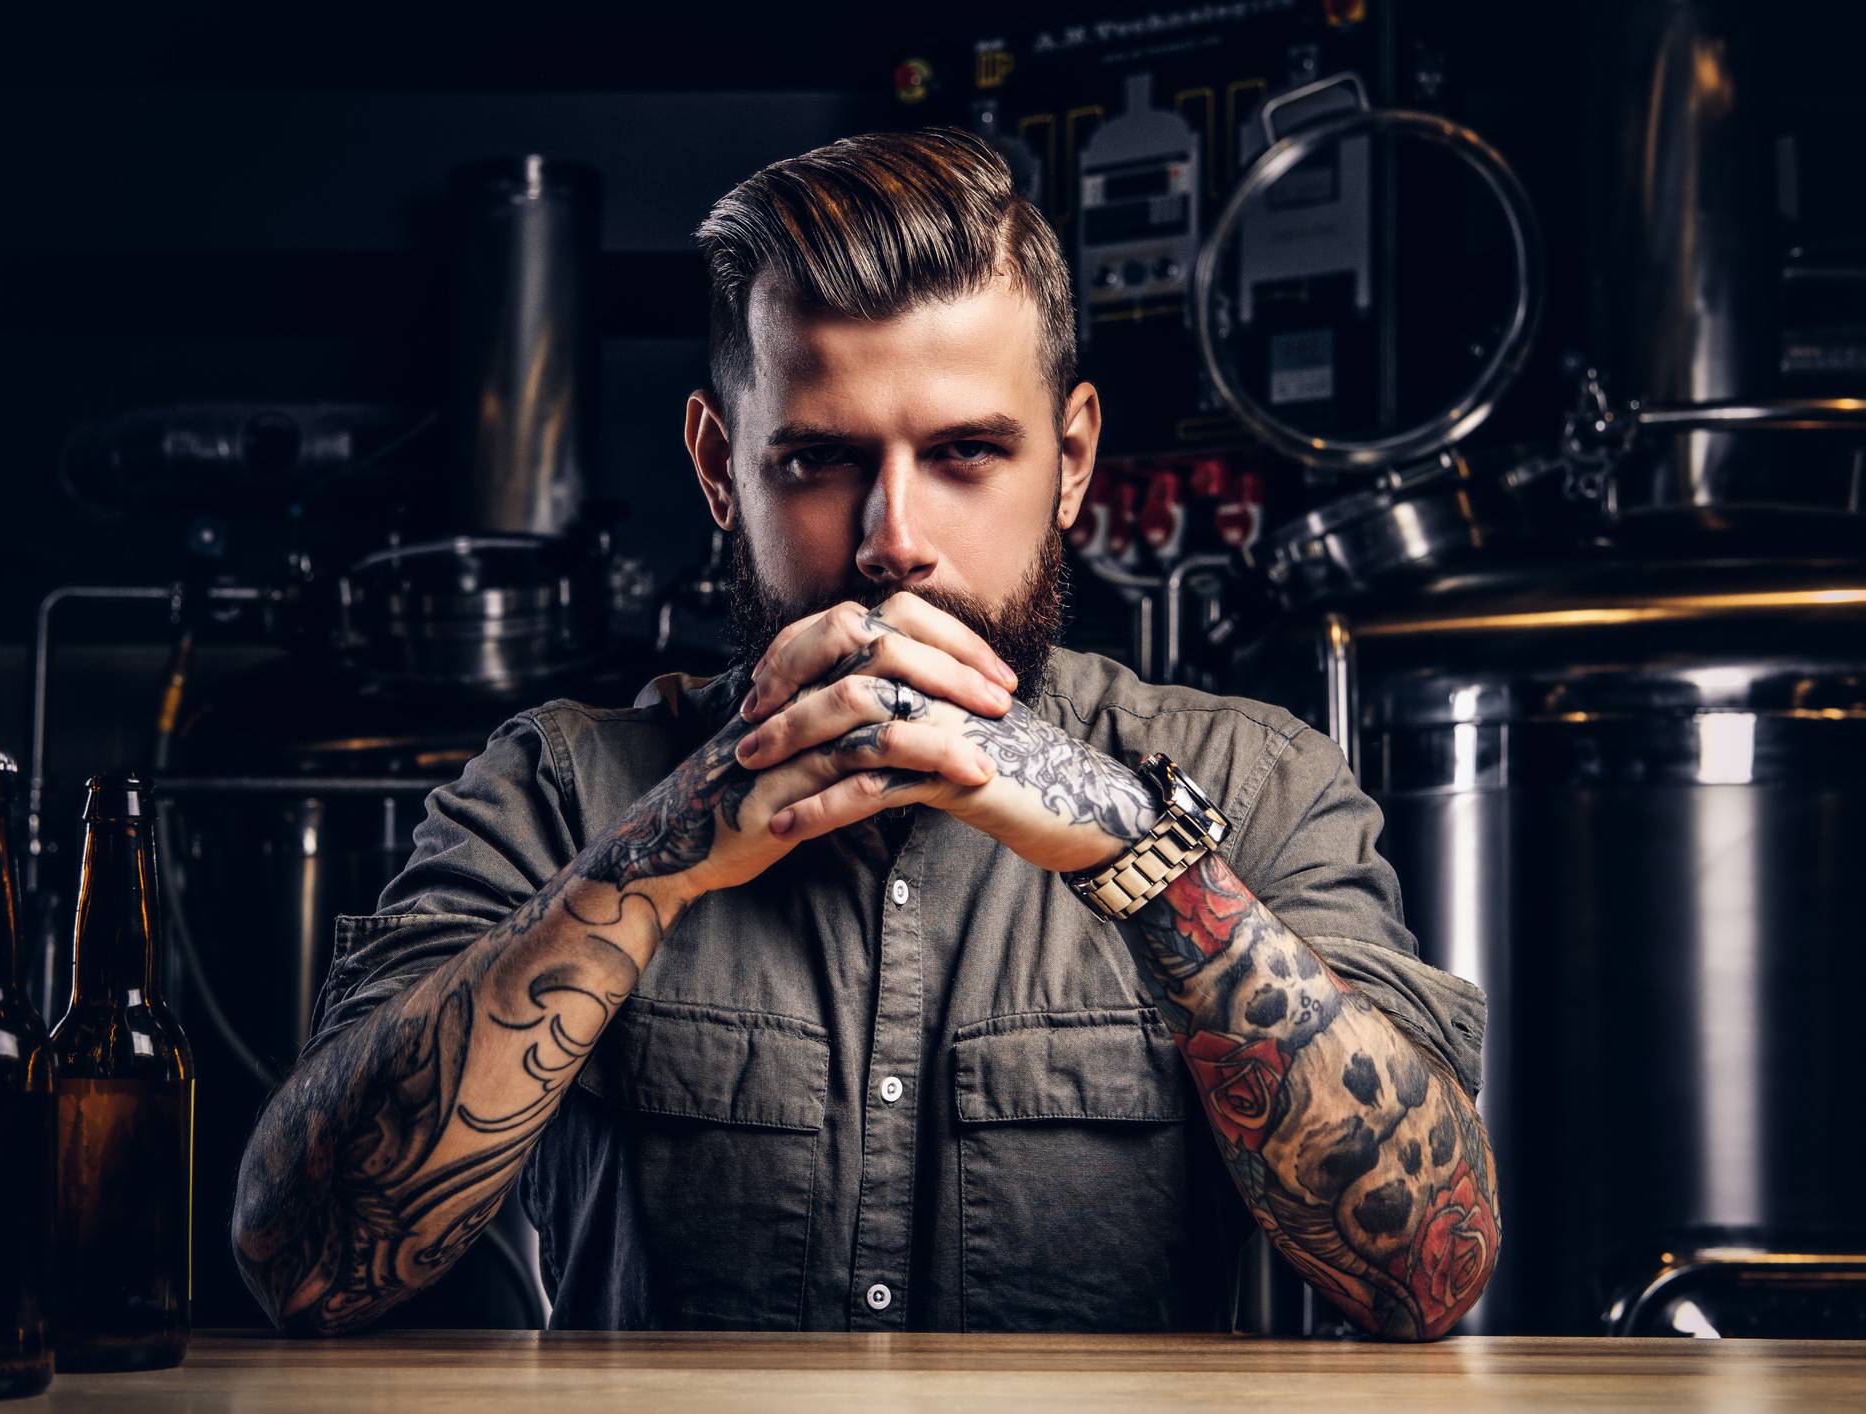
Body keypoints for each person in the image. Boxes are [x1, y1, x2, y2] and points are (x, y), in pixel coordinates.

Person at [231, 128, 1496, 1340]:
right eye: (820, 460)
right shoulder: (564, 787)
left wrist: (1138, 853)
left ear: (1069, 461)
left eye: (964, 454)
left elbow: (1422, 1273)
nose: (893, 537)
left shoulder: (1252, 784)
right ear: (720, 467)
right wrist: (654, 862)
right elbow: (302, 1262)